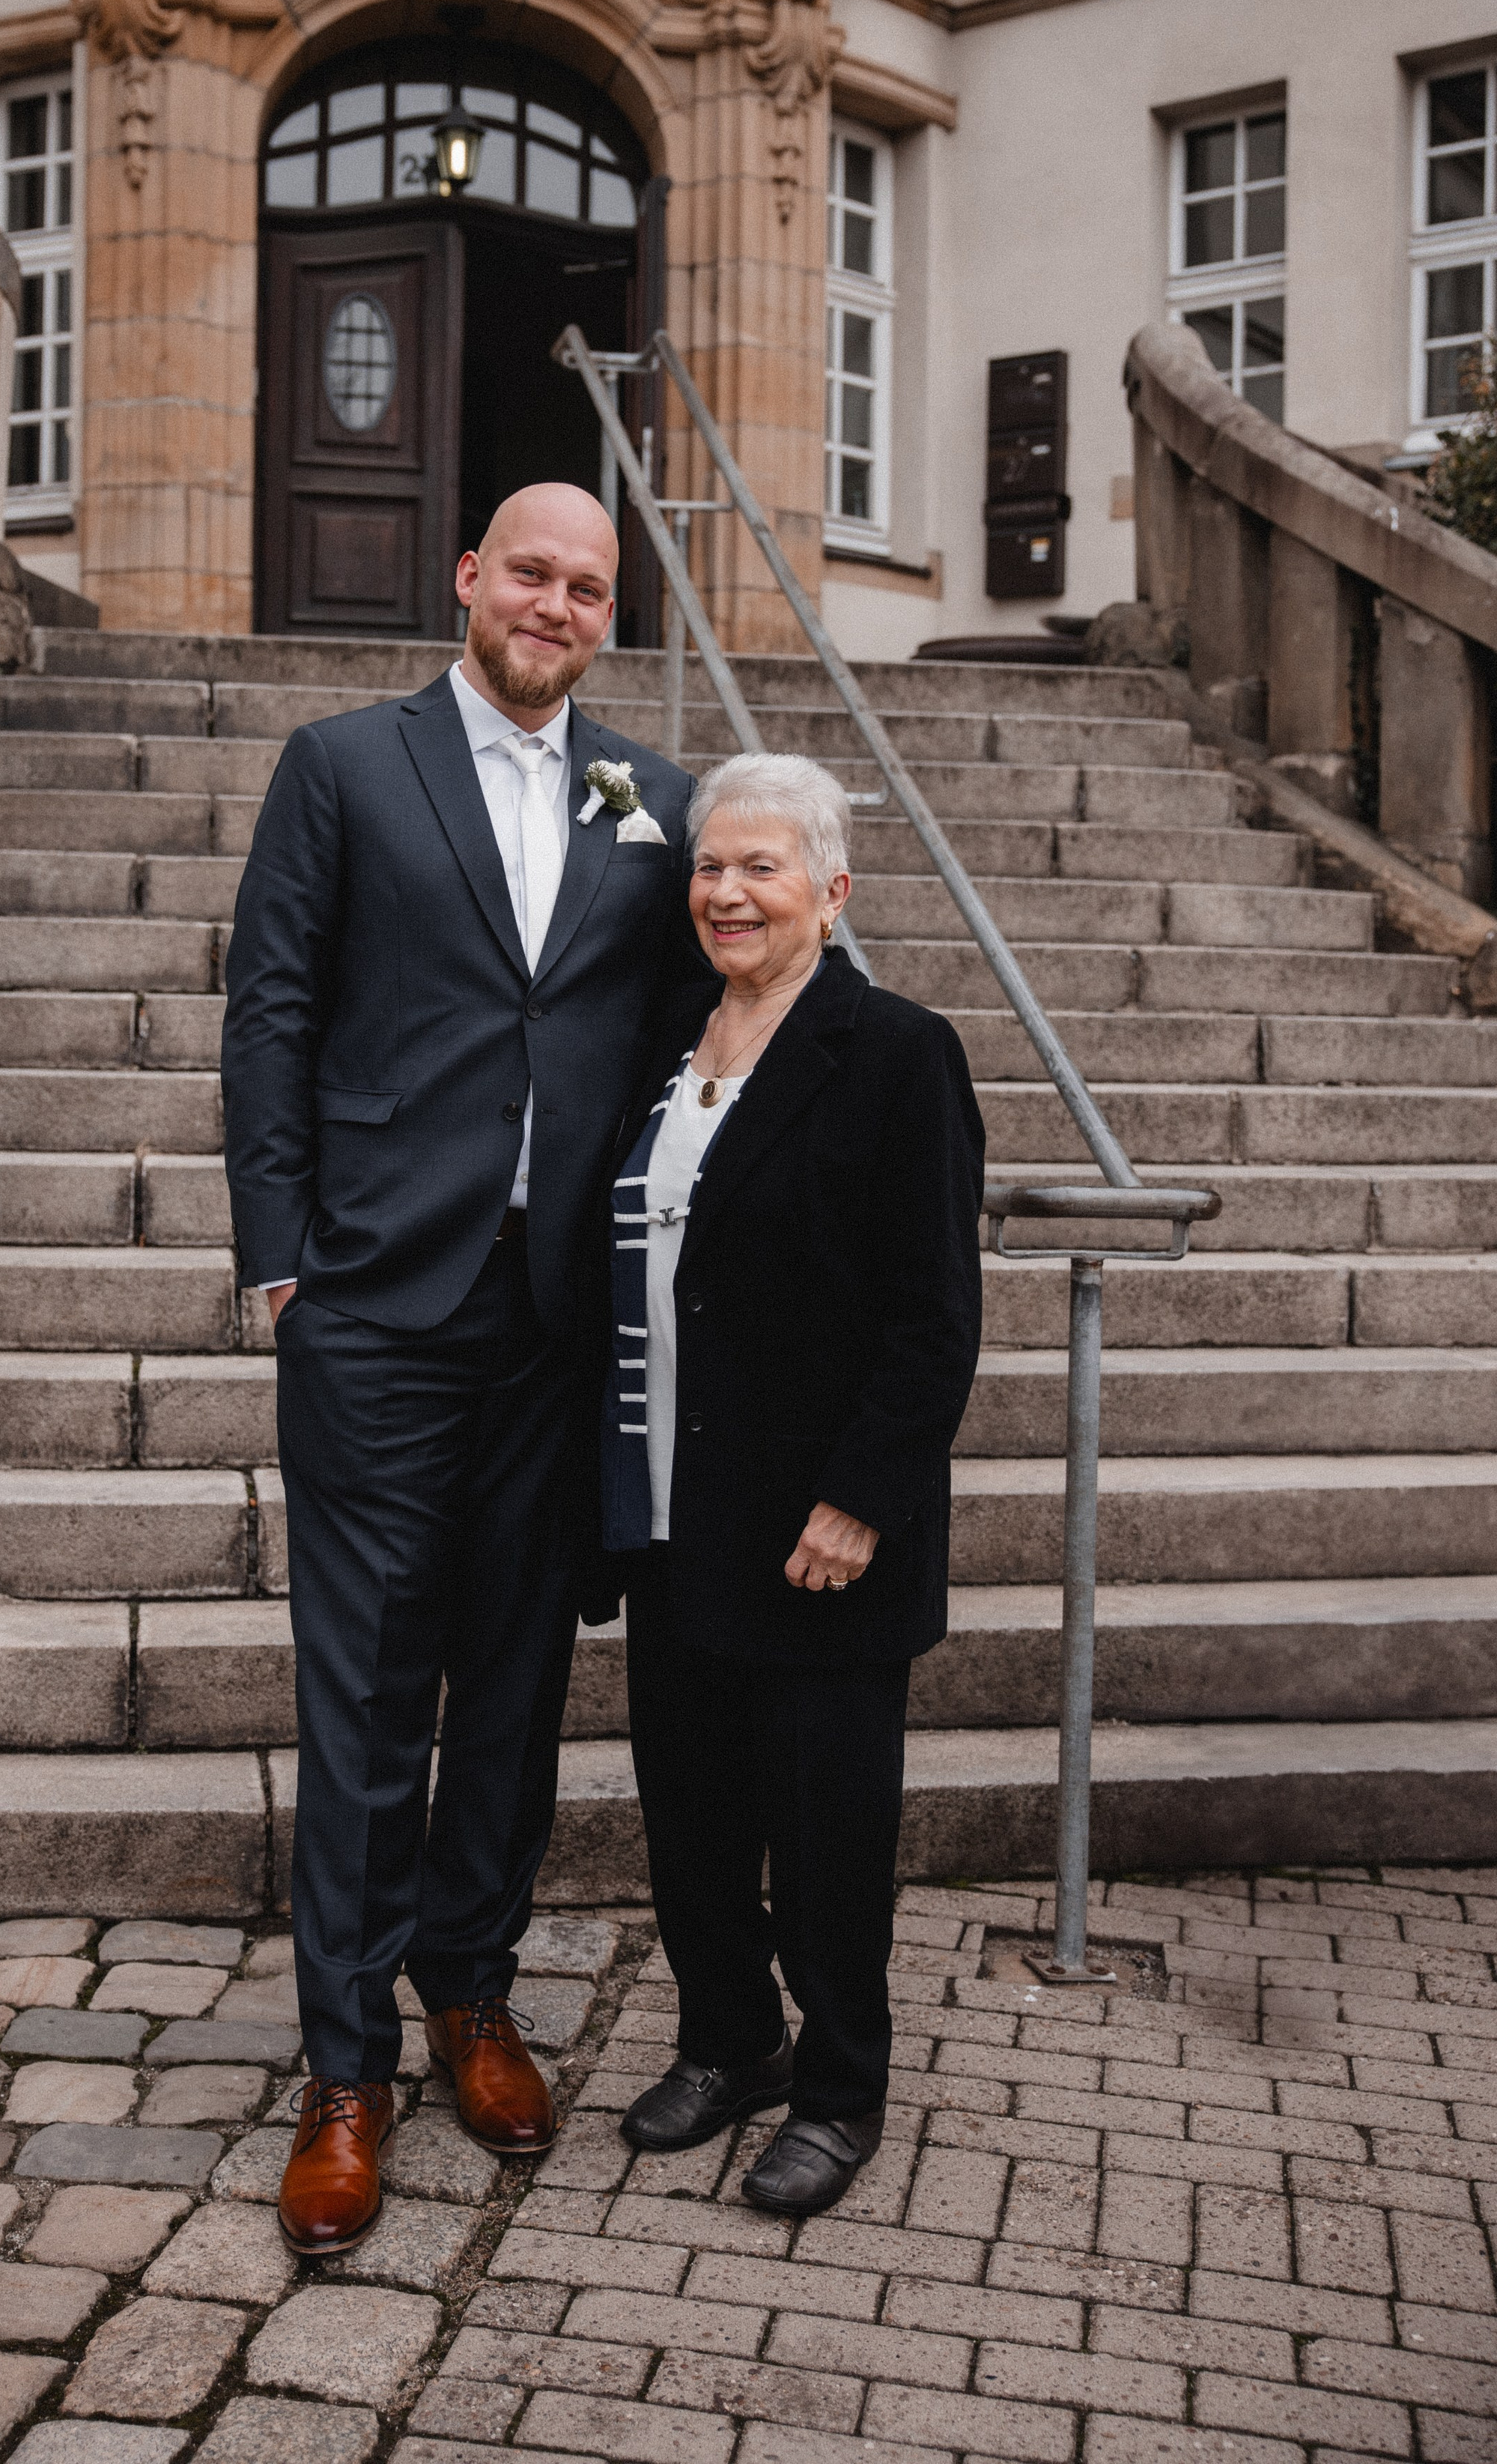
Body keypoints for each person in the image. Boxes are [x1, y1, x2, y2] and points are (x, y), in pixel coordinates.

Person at [223, 483, 701, 2257]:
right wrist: (281, 1261)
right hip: (371, 1304)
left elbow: (674, 1026)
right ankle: (343, 2074)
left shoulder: (647, 796)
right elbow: (270, 1004)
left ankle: (468, 1995)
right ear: (468, 580)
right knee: (361, 1698)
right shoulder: (343, 765)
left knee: (509, 1683)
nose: (557, 604)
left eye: (588, 586)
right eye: (532, 574)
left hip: (554, 1318)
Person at [604, 751, 984, 2216]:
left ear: (830, 889)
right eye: (709, 867)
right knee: (689, 1812)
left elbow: (930, 1314)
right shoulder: (660, 1038)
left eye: (762, 867)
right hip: (665, 1507)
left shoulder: (896, 1054)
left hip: (817, 1528)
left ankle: (836, 2088)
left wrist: (862, 1498)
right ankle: (726, 2043)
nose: (726, 891)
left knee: (826, 1839)